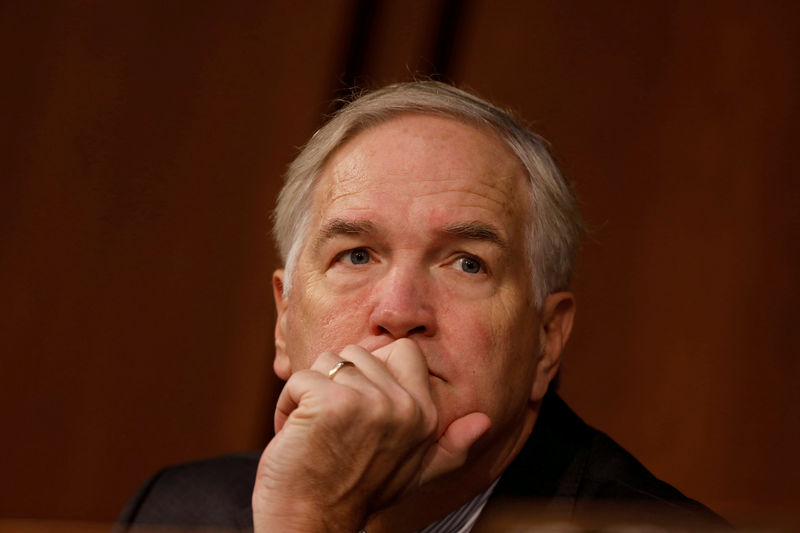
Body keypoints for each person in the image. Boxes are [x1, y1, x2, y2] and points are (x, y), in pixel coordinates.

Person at [118, 82, 727, 532]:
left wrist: (312, 522)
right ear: (284, 318)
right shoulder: (176, 512)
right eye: (356, 255)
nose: (400, 309)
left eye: (466, 262)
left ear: (547, 339)